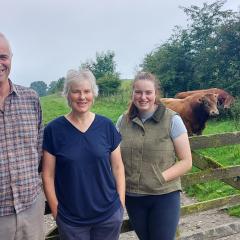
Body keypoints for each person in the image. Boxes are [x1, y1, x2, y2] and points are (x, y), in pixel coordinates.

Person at [42, 69, 125, 240]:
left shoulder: (106, 126)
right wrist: (57, 212)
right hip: (72, 220)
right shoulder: (54, 130)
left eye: (87, 91)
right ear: (67, 94)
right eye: (76, 91)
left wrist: (120, 205)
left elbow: (118, 167)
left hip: (108, 216)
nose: (82, 97)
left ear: (93, 94)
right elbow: (48, 175)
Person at [116, 72, 192, 240]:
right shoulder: (122, 121)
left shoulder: (172, 120)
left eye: (148, 92)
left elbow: (186, 161)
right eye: (138, 92)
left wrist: (160, 177)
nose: (143, 97)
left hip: (163, 197)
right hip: (133, 198)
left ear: (156, 94)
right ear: (132, 93)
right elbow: (113, 158)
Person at [0, 33, 45, 240]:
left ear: (11, 58)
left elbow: (39, 149)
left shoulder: (31, 99)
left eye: (3, 56)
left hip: (31, 207)